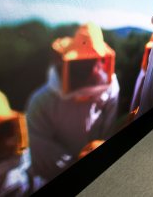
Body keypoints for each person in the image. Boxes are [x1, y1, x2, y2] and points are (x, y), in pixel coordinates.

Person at [26, 22, 120, 189]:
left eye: (91, 61)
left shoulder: (111, 86)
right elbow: (43, 154)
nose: (87, 68)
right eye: (81, 63)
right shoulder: (40, 102)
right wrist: (76, 163)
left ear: (101, 59)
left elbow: (108, 128)